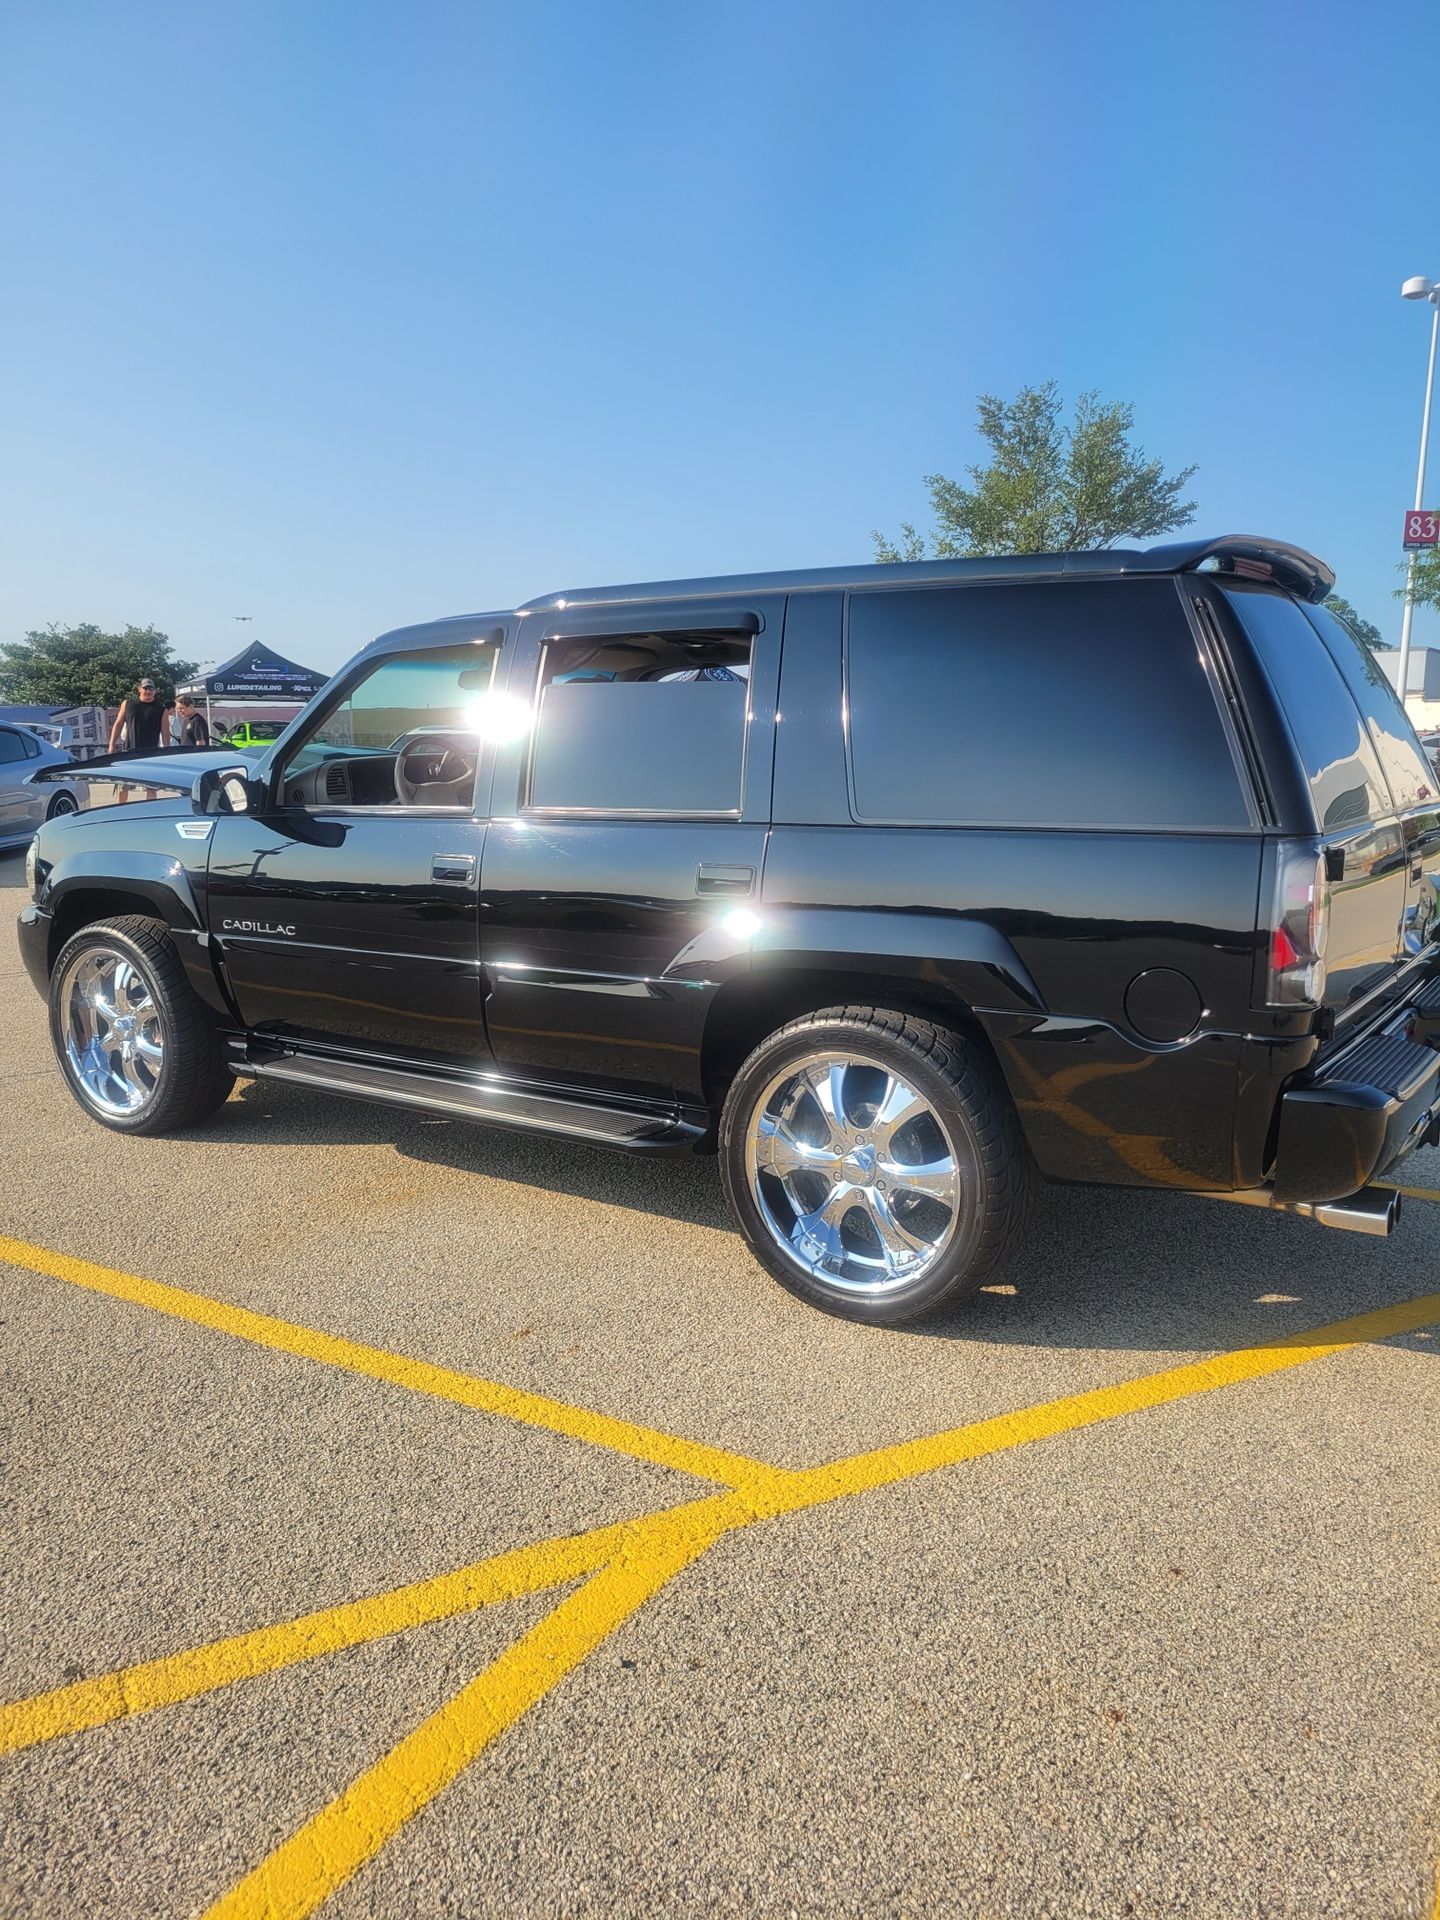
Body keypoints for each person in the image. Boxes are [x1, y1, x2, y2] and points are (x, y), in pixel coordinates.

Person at [107, 676, 171, 803]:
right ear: (139, 689)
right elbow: (118, 724)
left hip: (151, 753)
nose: (148, 691)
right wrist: (112, 744)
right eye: (145, 688)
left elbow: (165, 732)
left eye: (151, 688)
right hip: (129, 751)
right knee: (123, 785)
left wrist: (166, 751)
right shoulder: (128, 704)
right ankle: (121, 811)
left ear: (155, 691)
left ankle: (150, 812)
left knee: (151, 787)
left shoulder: (161, 709)